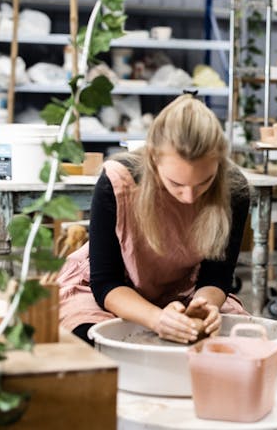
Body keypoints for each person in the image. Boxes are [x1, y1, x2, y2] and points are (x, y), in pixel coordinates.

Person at [57, 94, 250, 345]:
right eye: (176, 183)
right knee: (96, 343)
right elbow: (106, 282)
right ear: (153, 159)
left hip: (186, 291)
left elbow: (216, 278)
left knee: (234, 340)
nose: (189, 197)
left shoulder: (233, 189)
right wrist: (157, 319)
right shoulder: (119, 182)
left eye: (204, 182)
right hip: (113, 291)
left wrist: (204, 307)